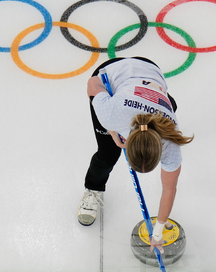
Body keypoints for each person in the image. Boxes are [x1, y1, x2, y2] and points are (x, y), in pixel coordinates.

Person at [79, 57, 192, 251]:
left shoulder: (170, 140)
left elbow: (169, 189)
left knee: (169, 106)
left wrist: (158, 231)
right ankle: (93, 188)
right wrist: (112, 130)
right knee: (107, 155)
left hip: (150, 70)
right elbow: (92, 84)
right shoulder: (111, 113)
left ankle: (156, 96)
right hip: (112, 75)